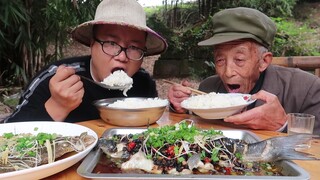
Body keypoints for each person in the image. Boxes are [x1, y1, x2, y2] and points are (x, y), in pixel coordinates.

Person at [5, 0, 167, 123]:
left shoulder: (143, 82)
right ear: (92, 44)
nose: (122, 57)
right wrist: (56, 106)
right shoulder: (56, 79)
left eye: (134, 47)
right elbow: (9, 131)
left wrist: (178, 107)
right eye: (111, 43)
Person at [168, 7, 320, 134]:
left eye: (239, 60)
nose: (227, 72)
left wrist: (283, 125)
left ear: (264, 61)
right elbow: (195, 127)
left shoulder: (307, 89)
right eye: (220, 60)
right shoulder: (208, 88)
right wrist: (180, 107)